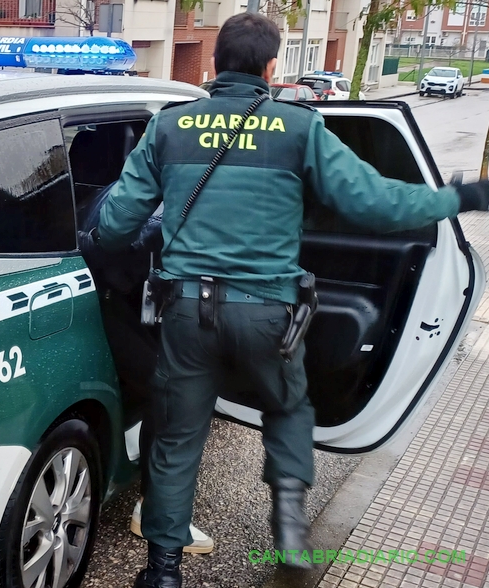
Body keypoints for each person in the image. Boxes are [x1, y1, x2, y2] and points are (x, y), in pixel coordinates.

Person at [82, 12, 489, 588]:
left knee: (176, 436)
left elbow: (121, 220)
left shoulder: (170, 128)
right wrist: (460, 196)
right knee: (289, 408)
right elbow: (378, 205)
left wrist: (91, 245)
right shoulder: (300, 129)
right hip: (270, 314)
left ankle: (163, 571)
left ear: (217, 64)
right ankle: (292, 529)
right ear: (272, 67)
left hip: (186, 314)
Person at [79, 184, 215, 554]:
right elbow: (117, 259)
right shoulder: (179, 198)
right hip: (112, 304)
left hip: (113, 301)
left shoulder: (135, 181)